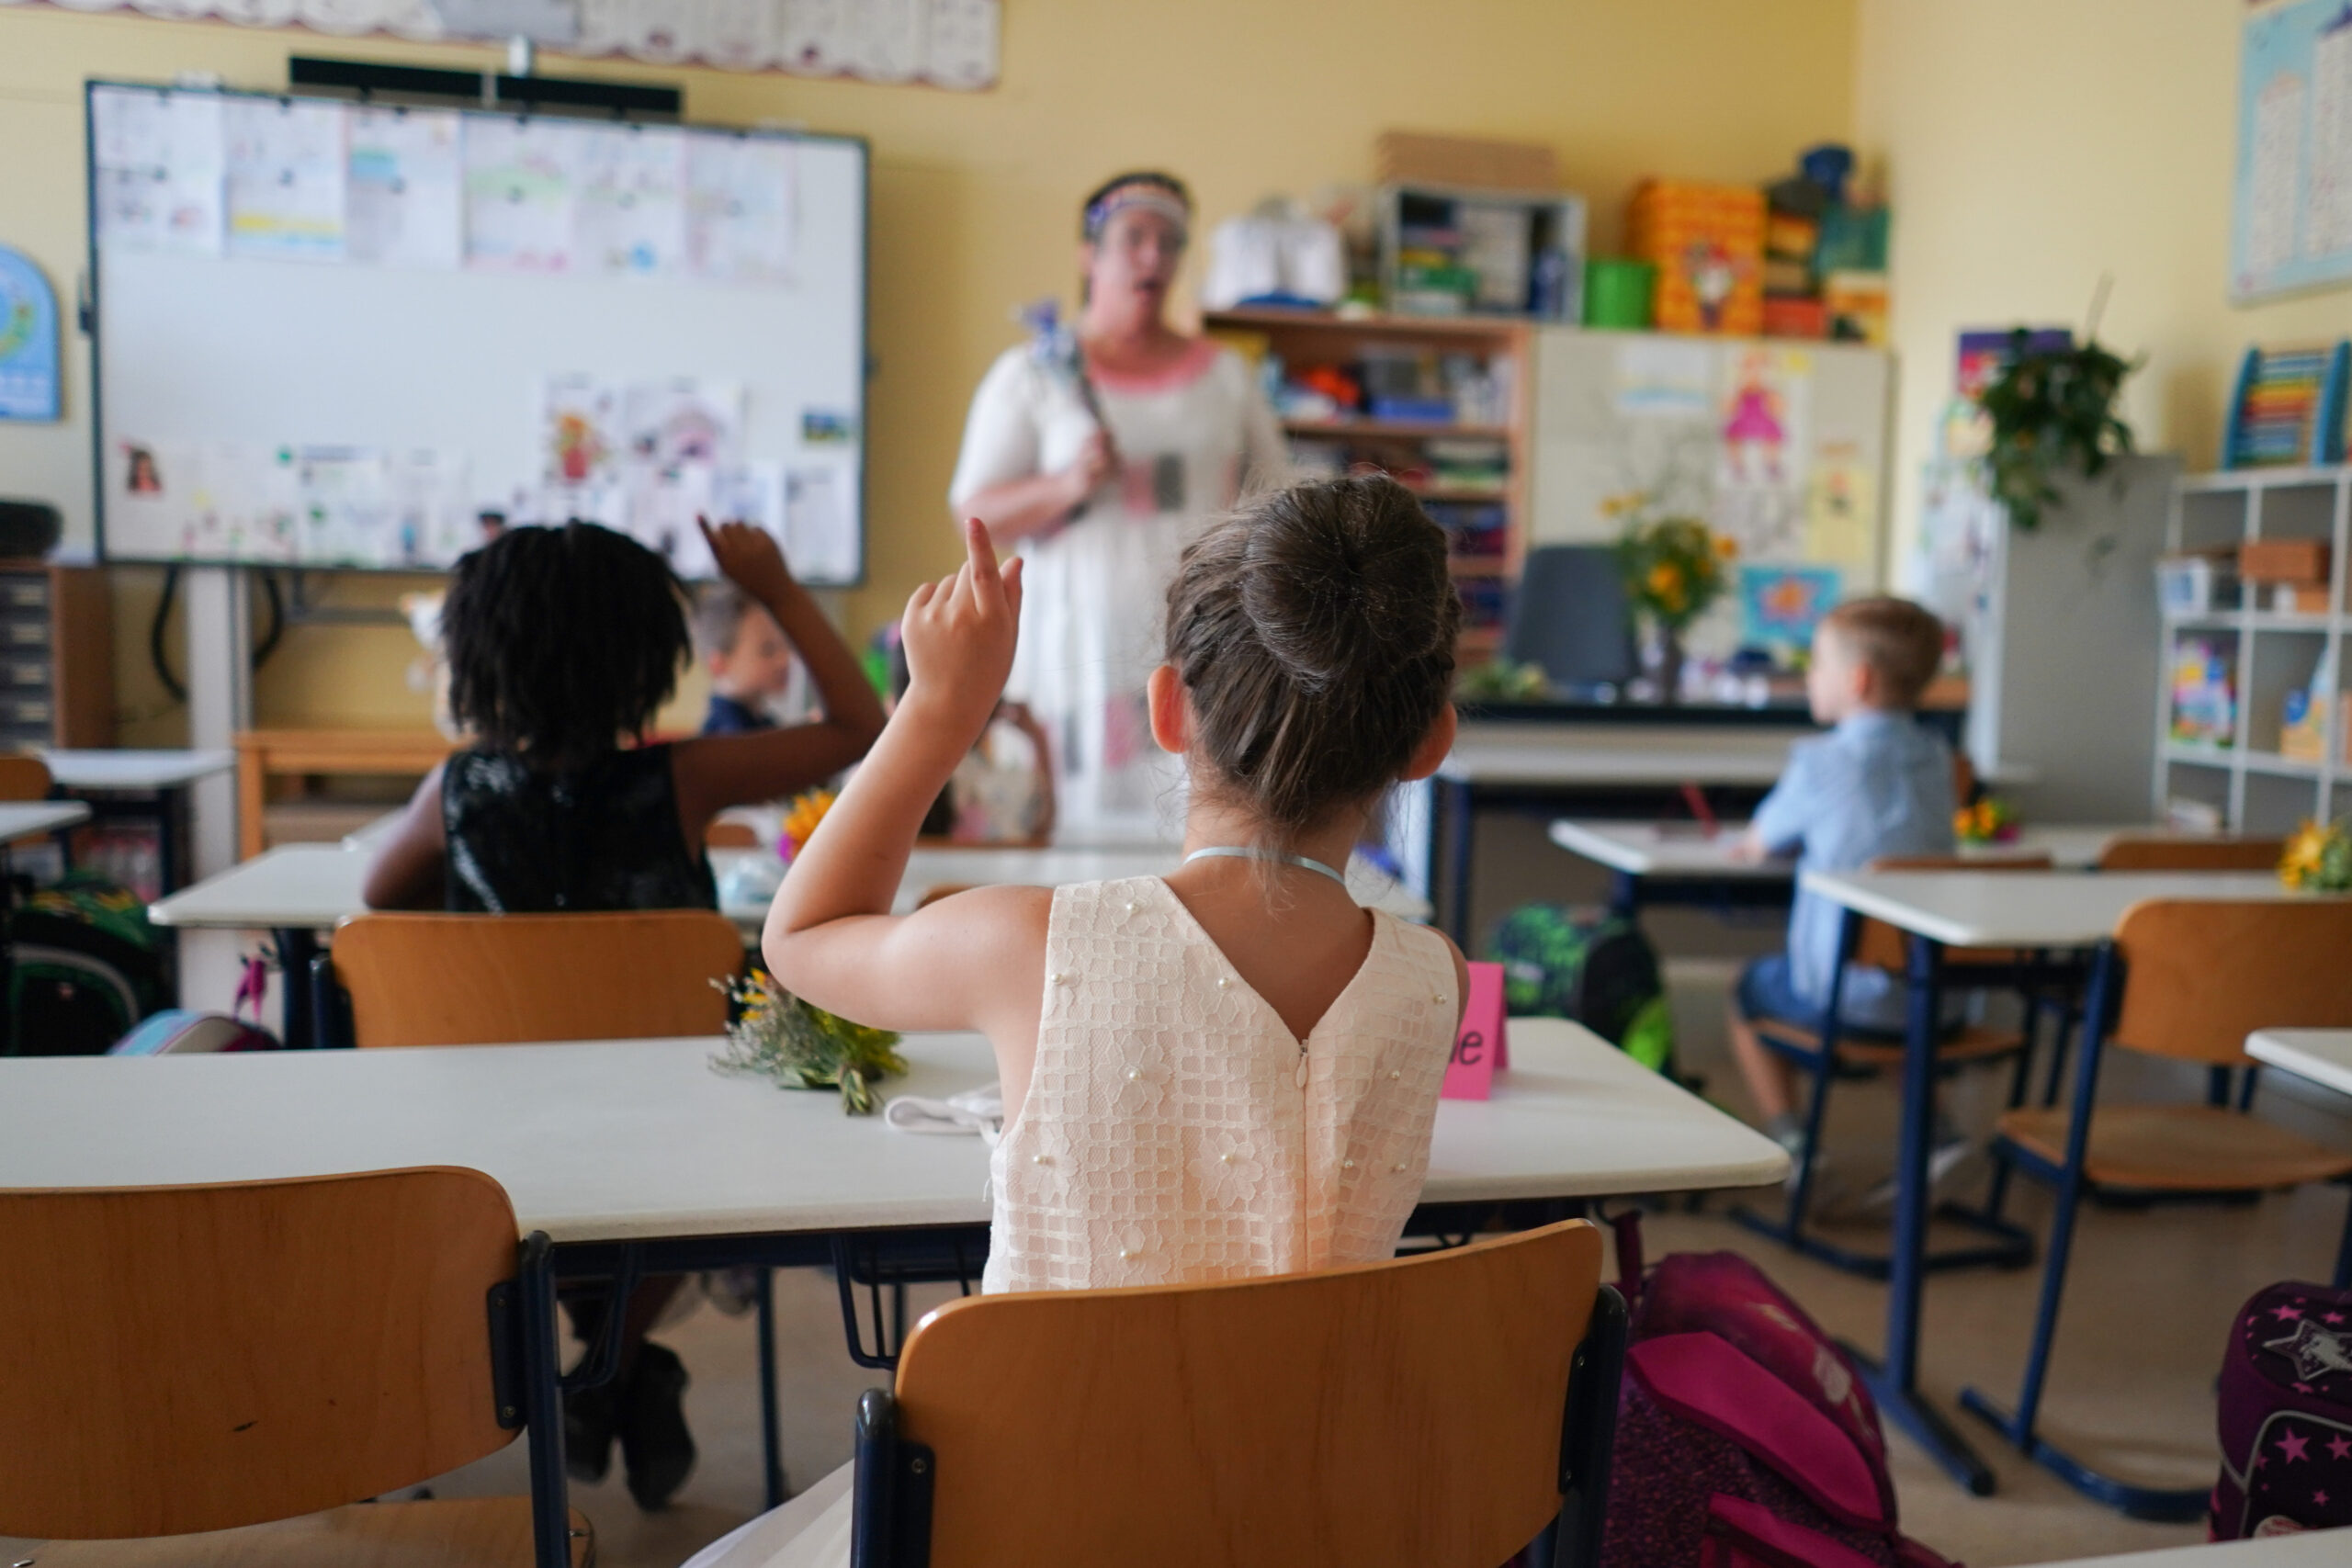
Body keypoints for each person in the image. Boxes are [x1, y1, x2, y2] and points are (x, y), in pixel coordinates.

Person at [689, 478, 1467, 1567]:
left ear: (1166, 710)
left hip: (1034, 1521)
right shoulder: (1435, 980)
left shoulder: (1035, 946)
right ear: (1430, 740)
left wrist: (938, 711)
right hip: (1305, 1512)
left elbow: (804, 935)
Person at [361, 516, 885, 1511]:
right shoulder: (683, 778)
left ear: (474, 658)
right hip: (674, 1140)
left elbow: (380, 906)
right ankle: (610, 1371)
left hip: (487, 1137)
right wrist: (771, 581)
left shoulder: (455, 790)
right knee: (691, 1158)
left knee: (567, 1186)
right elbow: (862, 730)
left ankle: (614, 1373)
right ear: (650, 655)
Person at [949, 170, 1287, 840]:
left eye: (1170, 242)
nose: (1153, 256)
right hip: (1077, 660)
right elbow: (975, 513)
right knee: (1075, 847)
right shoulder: (1033, 374)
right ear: (1089, 254)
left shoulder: (1225, 376)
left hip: (1198, 652)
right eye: (1135, 237)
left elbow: (1275, 501)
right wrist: (1066, 485)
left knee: (1194, 835)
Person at [1725, 595, 1959, 1168]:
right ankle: (1943, 1138)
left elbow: (1760, 841)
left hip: (1841, 1001)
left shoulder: (1820, 763)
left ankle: (1795, 1147)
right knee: (1895, 980)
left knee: (1746, 992)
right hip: (1939, 993)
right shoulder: (1938, 757)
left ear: (1857, 680)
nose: (1810, 675)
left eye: (1817, 662)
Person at [694, 581, 797, 735]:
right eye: (768, 650)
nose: (785, 660)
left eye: (786, 645)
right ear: (719, 664)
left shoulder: (760, 721)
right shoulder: (733, 737)